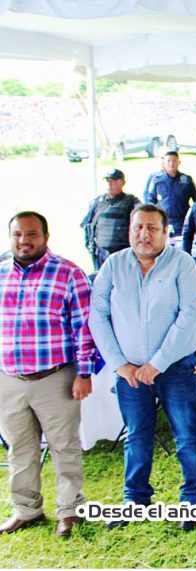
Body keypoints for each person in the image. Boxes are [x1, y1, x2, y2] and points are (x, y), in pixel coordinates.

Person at [89, 204, 196, 532]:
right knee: (136, 436)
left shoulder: (182, 264)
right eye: (138, 227)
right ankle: (136, 501)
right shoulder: (114, 265)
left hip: (175, 368)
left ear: (165, 232)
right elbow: (97, 315)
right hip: (129, 372)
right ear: (130, 229)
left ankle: (193, 501)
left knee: (186, 435)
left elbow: (189, 316)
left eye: (152, 228)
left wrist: (157, 363)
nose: (144, 234)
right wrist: (119, 364)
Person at [0, 212, 94, 539]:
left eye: (32, 234)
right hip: (9, 379)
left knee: (64, 447)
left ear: (45, 236)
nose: (24, 241)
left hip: (56, 378)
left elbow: (84, 329)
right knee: (19, 449)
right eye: (17, 235)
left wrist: (84, 373)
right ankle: (26, 509)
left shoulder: (69, 274)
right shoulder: (0, 272)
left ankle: (70, 511)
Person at [81, 168, 141, 270]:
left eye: (113, 181)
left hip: (122, 254)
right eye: (107, 181)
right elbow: (86, 224)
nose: (109, 184)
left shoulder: (131, 202)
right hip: (100, 254)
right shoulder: (97, 202)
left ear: (122, 183)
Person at [143, 150, 196, 239]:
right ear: (164, 163)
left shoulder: (186, 180)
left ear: (179, 163)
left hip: (182, 220)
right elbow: (150, 200)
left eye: (174, 161)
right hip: (162, 221)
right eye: (168, 161)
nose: (171, 164)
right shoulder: (157, 180)